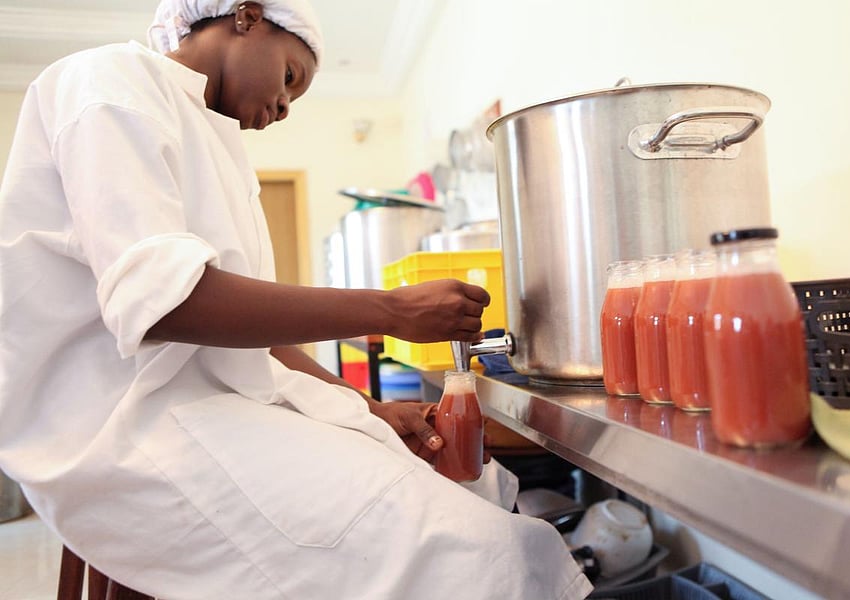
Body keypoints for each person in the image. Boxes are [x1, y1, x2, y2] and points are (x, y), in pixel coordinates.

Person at [0, 1, 593, 599]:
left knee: (465, 486)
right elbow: (171, 305)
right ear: (247, 17)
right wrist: (389, 310)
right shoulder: (109, 83)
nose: (284, 107)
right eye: (289, 77)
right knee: (476, 549)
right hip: (124, 421)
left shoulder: (218, 147)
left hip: (214, 406)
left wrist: (367, 407)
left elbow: (254, 334)